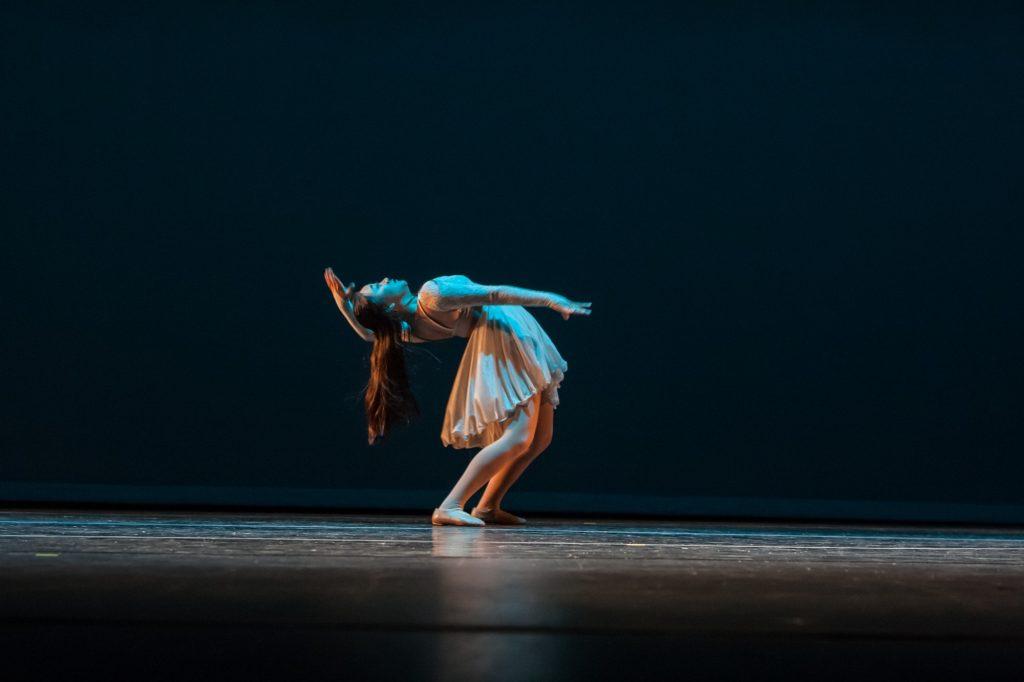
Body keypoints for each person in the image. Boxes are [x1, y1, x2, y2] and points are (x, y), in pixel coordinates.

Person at [323, 268, 591, 527]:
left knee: (540, 439)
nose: (384, 279)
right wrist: (550, 299)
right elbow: (494, 294)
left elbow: (372, 334)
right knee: (519, 437)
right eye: (379, 287)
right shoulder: (432, 295)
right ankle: (450, 505)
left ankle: (487, 506)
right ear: (389, 309)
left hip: (508, 330)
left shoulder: (413, 324)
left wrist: (344, 307)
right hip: (506, 334)